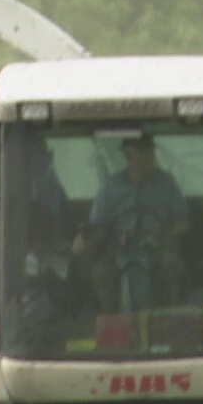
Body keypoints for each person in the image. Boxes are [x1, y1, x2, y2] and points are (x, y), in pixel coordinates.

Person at [73, 131, 189, 311]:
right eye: (139, 154)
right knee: (102, 274)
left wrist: (165, 233)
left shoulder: (166, 183)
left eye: (150, 153)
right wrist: (86, 237)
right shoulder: (110, 187)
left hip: (157, 247)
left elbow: (182, 222)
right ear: (128, 156)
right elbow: (99, 226)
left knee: (171, 267)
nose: (147, 159)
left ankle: (167, 321)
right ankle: (111, 323)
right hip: (118, 249)